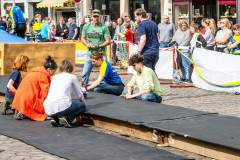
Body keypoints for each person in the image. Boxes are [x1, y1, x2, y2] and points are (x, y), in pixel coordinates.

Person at [11, 56, 58, 121]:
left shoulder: (37, 72)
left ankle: (22, 111)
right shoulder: (43, 75)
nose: (53, 74)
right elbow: (46, 92)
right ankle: (23, 113)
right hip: (27, 98)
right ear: (49, 70)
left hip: (21, 98)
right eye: (54, 71)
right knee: (43, 102)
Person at [44, 59, 86, 128]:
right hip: (62, 107)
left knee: (58, 101)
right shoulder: (72, 77)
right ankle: (68, 118)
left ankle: (54, 118)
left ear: (60, 68)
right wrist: (84, 103)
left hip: (48, 108)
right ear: (71, 68)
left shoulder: (54, 77)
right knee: (82, 106)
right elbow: (79, 95)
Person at [81, 9, 111, 89]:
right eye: (94, 16)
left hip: (101, 54)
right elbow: (82, 38)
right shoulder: (86, 26)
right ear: (91, 17)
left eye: (97, 16)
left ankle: (105, 90)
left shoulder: (104, 27)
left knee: (105, 73)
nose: (96, 18)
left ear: (100, 17)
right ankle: (84, 90)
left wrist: (98, 46)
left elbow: (108, 41)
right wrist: (87, 44)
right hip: (90, 54)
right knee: (85, 73)